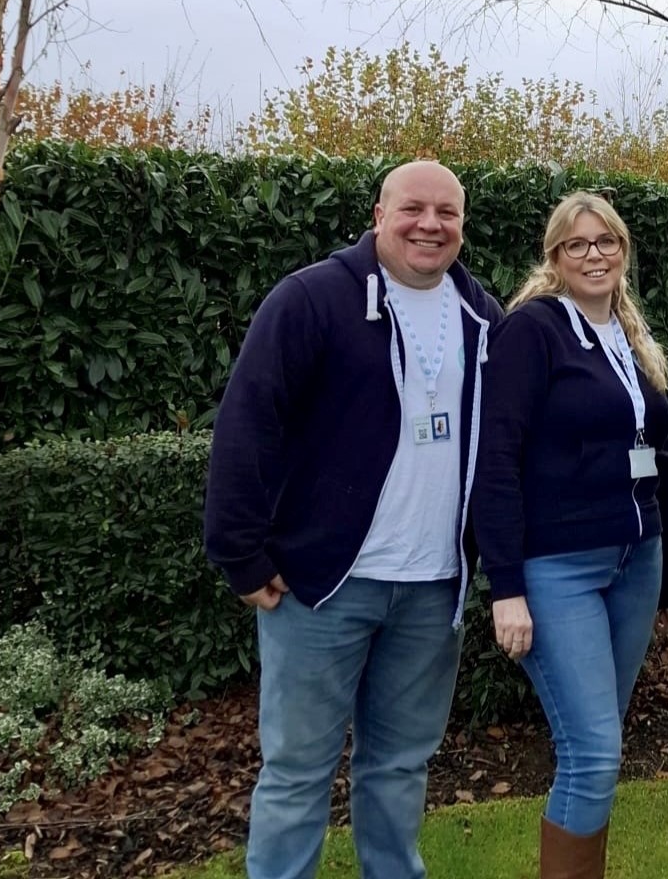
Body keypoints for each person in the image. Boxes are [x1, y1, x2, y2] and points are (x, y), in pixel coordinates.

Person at [203, 160, 503, 879]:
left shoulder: (483, 315)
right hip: (324, 586)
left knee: (399, 767)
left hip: (433, 589)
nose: (430, 225)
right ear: (378, 214)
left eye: (447, 213)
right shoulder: (312, 299)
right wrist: (239, 554)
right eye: (413, 209)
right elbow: (247, 427)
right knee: (298, 770)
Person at [473, 191, 668, 879]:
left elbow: (660, 462)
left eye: (605, 242)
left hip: (636, 563)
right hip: (556, 568)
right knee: (594, 752)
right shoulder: (532, 331)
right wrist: (505, 585)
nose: (593, 254)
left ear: (623, 250)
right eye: (577, 244)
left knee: (596, 750)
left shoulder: (630, 340)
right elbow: (496, 458)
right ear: (555, 258)